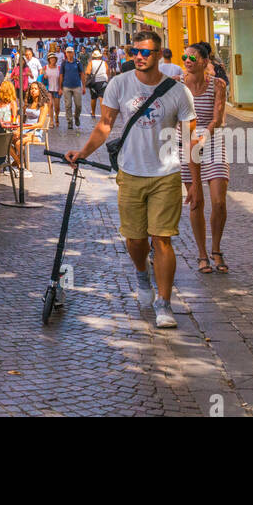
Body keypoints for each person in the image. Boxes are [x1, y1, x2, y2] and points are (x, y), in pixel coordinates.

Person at [65, 29, 197, 330]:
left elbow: (191, 139)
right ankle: (141, 273)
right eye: (134, 51)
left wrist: (194, 181)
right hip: (130, 172)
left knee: (162, 238)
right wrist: (82, 152)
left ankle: (164, 304)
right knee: (135, 239)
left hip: (166, 173)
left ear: (158, 54)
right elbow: (105, 124)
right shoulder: (119, 85)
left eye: (145, 52)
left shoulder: (177, 92)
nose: (138, 56)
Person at [180, 43, 230, 274]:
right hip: (186, 144)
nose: (187, 61)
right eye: (185, 57)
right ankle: (202, 254)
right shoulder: (178, 87)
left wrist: (202, 138)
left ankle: (217, 249)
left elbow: (218, 118)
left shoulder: (218, 85)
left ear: (204, 61)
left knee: (219, 201)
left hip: (211, 141)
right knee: (197, 201)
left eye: (192, 57)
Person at [58, 46, 85, 129]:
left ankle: (76, 116)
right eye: (68, 52)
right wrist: (60, 87)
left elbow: (82, 74)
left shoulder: (77, 62)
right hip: (66, 87)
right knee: (68, 105)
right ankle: (69, 121)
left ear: (73, 53)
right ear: (66, 53)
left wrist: (84, 86)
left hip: (77, 86)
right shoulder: (64, 63)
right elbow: (61, 75)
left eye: (71, 52)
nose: (69, 54)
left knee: (78, 105)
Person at [84, 47, 110, 119]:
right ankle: (103, 114)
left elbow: (88, 72)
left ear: (93, 56)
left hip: (94, 82)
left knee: (93, 98)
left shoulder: (91, 63)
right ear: (100, 56)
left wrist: (86, 78)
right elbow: (108, 72)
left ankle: (93, 113)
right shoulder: (104, 62)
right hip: (103, 82)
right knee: (102, 98)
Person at [43, 51, 61, 117]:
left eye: (54, 58)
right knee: (50, 105)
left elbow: (61, 79)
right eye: (51, 58)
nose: (52, 60)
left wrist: (60, 88)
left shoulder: (59, 68)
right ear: (49, 60)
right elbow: (41, 77)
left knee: (57, 107)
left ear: (56, 60)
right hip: (48, 89)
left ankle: (56, 117)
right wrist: (44, 75)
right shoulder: (45, 68)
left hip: (57, 89)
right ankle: (51, 121)